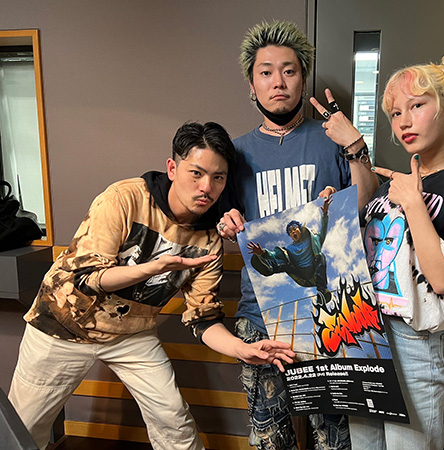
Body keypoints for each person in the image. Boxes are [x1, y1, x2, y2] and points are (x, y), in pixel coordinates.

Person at [8, 122, 295, 450]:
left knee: (174, 421)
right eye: (196, 173)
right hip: (62, 323)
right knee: (24, 427)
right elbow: (88, 278)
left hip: (130, 333)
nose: (206, 187)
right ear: (172, 168)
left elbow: (203, 317)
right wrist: (152, 268)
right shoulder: (125, 198)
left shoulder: (209, 239)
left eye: (218, 178)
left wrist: (240, 349)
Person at [217, 20, 378, 450]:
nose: (278, 82)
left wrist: (355, 145)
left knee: (335, 438)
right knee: (270, 438)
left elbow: (364, 201)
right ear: (252, 85)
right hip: (260, 316)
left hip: (331, 312)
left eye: (289, 71)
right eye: (266, 72)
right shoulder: (236, 152)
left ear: (302, 79)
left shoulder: (330, 139)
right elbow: (223, 217)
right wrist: (226, 224)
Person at [350, 49, 444, 449]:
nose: (404, 121)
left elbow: (442, 280)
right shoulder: (393, 185)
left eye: (417, 106)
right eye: (395, 113)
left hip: (415, 342)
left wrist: (414, 205)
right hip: (365, 333)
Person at [248, 197, 333, 307]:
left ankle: (322, 291)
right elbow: (274, 255)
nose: (293, 232)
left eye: (294, 229)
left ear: (300, 229)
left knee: (320, 256)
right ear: (291, 236)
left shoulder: (313, 239)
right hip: (300, 273)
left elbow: (324, 230)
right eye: (290, 232)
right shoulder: (289, 249)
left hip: (314, 273)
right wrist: (262, 253)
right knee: (285, 263)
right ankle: (269, 268)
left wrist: (325, 214)